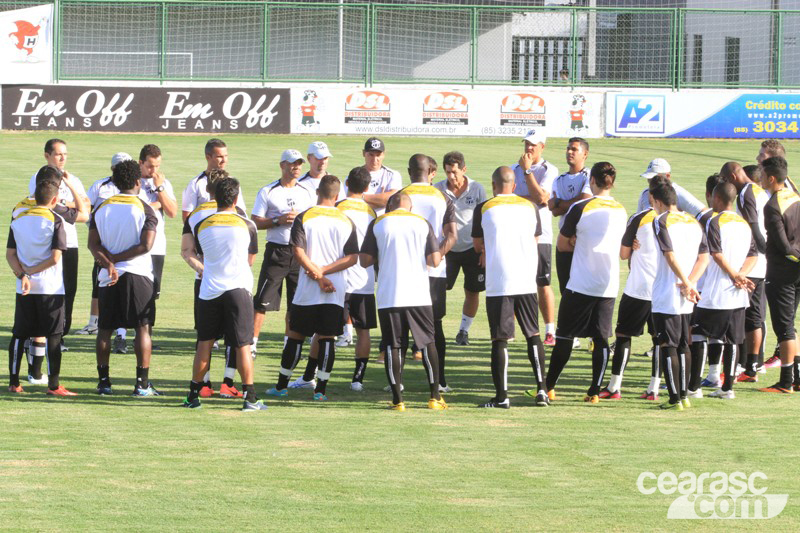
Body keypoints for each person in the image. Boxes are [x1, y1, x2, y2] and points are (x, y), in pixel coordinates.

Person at [265, 175, 359, 401]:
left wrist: (317, 274)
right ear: (337, 196)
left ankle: (281, 386)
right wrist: (325, 272)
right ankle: (320, 391)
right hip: (334, 289)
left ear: (317, 192)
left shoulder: (304, 217)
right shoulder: (346, 220)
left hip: (307, 287)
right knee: (327, 338)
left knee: (296, 335)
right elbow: (353, 258)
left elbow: (297, 251)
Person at [544, 162, 628, 404]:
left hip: (581, 282)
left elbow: (562, 245)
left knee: (565, 336)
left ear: (591, 181)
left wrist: (575, 243)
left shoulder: (581, 207)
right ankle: (594, 391)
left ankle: (548, 387)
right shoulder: (621, 210)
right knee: (601, 339)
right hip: (608, 284)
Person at [182, 177, 265, 411]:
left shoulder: (201, 225)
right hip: (238, 290)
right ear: (236, 199)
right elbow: (250, 260)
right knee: (242, 345)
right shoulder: (248, 225)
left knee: (204, 344)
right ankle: (250, 398)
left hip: (209, 290)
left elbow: (198, 253)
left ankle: (193, 395)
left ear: (214, 197)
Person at [359, 192, 447, 411]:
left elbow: (365, 260)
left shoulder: (378, 223)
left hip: (390, 295)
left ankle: (398, 400)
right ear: (410, 206)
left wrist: (384, 252)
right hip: (418, 294)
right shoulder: (422, 223)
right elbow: (434, 260)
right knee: (427, 342)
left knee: (393, 345)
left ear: (390, 206)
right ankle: (435, 397)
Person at [472, 166, 547, 408]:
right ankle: (542, 391)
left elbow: (477, 245)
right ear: (514, 186)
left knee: (500, 339)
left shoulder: (484, 208)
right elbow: (536, 238)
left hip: (499, 281)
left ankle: (502, 397)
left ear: (494, 185)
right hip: (526, 279)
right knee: (533, 334)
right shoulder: (530, 206)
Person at [88, 160, 159, 397]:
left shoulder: (102, 207)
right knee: (142, 328)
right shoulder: (145, 208)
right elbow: (146, 245)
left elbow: (93, 244)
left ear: (116, 182)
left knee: (104, 329)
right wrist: (118, 259)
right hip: (138, 274)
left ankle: (104, 383)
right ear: (138, 181)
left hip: (108, 276)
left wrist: (110, 262)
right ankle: (141, 384)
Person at [14, 166, 88, 385]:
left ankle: (22, 377)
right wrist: (72, 185)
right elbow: (84, 214)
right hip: (48, 280)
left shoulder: (19, 208)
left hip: (23, 278)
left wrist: (22, 272)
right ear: (56, 188)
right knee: (50, 332)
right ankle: (45, 378)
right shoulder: (55, 209)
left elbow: (10, 250)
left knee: (23, 330)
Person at [689, 182, 756, 400]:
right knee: (731, 340)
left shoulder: (714, 221)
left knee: (698, 335)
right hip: (737, 294)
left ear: (716, 198)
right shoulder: (744, 224)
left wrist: (735, 275)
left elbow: (715, 254)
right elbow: (753, 255)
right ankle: (727, 388)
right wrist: (742, 275)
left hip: (715, 293)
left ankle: (694, 387)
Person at [181, 168, 244, 399]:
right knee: (234, 336)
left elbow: (186, 252)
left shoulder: (195, 216)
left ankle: (203, 384)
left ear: (207, 188)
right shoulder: (239, 214)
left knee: (205, 337)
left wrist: (204, 270)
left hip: (205, 283)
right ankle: (228, 383)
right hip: (235, 284)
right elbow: (249, 253)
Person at [396, 155, 456, 392]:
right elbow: (452, 235)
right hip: (434, 271)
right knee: (434, 326)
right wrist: (436, 256)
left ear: (409, 171)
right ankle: (440, 381)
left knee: (401, 327)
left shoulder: (400, 196)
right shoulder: (442, 197)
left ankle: (397, 381)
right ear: (430, 172)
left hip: (404, 271)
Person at [649, 179, 709, 410]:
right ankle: (684, 396)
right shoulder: (694, 222)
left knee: (667, 345)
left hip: (667, 292)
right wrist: (691, 283)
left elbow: (670, 255)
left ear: (656, 201)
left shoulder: (660, 221)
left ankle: (674, 398)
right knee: (684, 344)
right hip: (687, 295)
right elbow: (704, 258)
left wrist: (684, 282)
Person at [250, 150, 315, 355]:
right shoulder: (268, 191)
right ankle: (251, 343)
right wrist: (278, 220)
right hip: (276, 251)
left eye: (299, 164)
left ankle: (289, 345)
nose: (296, 167)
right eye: (292, 163)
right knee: (262, 300)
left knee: (296, 302)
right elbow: (255, 221)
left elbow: (314, 218)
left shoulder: (306, 191)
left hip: (300, 252)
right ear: (282, 165)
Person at [27, 139, 89, 350]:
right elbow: (48, 203)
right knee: (48, 289)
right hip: (48, 241)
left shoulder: (73, 179)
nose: (63, 158)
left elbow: (87, 206)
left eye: (65, 154)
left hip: (70, 243)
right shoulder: (40, 177)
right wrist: (72, 204)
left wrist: (67, 197)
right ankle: (42, 334)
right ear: (47, 155)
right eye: (58, 154)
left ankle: (60, 335)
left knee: (69, 290)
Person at [599, 184, 659, 400]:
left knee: (624, 335)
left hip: (639, 288)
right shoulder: (681, 220)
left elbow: (623, 254)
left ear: (651, 196)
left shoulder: (640, 218)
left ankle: (615, 386)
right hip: (664, 291)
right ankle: (654, 388)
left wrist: (632, 248)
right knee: (660, 340)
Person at [77, 152, 135, 337]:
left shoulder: (135, 186)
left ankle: (126, 326)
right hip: (103, 244)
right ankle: (94, 322)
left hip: (128, 242)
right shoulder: (100, 186)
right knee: (99, 281)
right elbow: (86, 210)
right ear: (112, 168)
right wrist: (97, 231)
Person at [720, 162, 769, 383]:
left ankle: (736, 366)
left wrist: (757, 251)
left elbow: (752, 227)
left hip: (749, 265)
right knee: (754, 318)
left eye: (726, 180)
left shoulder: (745, 194)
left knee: (736, 316)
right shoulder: (760, 191)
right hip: (763, 266)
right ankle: (752, 367)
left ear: (732, 176)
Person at [511, 130, 559, 346]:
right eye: (526, 143)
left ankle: (550, 330)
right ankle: (509, 329)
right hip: (516, 235)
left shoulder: (550, 170)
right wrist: (527, 197)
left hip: (541, 236)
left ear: (542, 147)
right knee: (514, 282)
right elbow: (505, 197)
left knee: (542, 283)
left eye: (533, 144)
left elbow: (541, 198)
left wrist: (527, 171)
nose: (528, 148)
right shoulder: (513, 168)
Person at [435, 151, 487, 346]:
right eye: (448, 172)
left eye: (455, 172)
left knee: (472, 291)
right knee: (438, 289)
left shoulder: (477, 188)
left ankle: (463, 331)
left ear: (464, 169)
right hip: (446, 249)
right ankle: (433, 327)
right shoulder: (437, 189)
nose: (451, 176)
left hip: (472, 249)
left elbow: (484, 220)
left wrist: (483, 250)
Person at [758, 156, 800, 393]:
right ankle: (797, 378)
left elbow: (783, 246)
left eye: (763, 176)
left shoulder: (772, 206)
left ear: (772, 178)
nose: (760, 179)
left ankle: (785, 382)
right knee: (791, 325)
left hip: (781, 273)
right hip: (796, 273)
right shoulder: (795, 197)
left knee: (784, 328)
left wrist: (794, 256)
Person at [547, 137, 592, 349]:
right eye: (568, 148)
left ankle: (591, 333)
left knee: (587, 288)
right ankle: (572, 334)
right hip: (565, 240)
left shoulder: (589, 175)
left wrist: (561, 202)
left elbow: (585, 202)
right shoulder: (559, 179)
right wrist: (562, 204)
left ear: (585, 154)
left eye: (574, 149)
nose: (569, 152)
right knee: (566, 288)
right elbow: (553, 209)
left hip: (583, 240)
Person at [336, 167, 378, 391]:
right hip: (364, 280)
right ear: (367, 187)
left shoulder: (336, 208)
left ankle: (317, 376)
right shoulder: (372, 213)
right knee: (364, 331)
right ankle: (357, 380)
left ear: (346, 184)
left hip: (339, 277)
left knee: (325, 331)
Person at [136, 144, 176, 348]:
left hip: (157, 246)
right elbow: (133, 208)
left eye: (157, 166)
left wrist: (159, 189)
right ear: (140, 163)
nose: (154, 170)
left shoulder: (163, 183)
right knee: (134, 291)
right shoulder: (132, 182)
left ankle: (147, 338)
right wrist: (155, 205)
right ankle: (123, 335)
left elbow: (172, 212)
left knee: (152, 295)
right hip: (136, 246)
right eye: (150, 166)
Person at [181, 138, 245, 222]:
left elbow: (241, 212)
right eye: (220, 157)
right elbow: (187, 216)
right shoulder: (196, 183)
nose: (224, 160)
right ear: (208, 157)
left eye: (226, 156)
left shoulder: (233, 182)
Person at [636, 158, 705, 216]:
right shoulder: (644, 195)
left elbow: (703, 212)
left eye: (655, 179)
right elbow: (638, 220)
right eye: (649, 179)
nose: (651, 183)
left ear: (668, 176)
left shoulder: (679, 193)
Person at [360, 137, 402, 215]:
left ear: (383, 154)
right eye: (371, 155)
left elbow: (393, 200)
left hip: (384, 219)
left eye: (378, 155)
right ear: (363, 153)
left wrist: (362, 197)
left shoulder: (393, 175)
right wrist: (381, 200)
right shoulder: (355, 175)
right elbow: (349, 201)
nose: (374, 159)